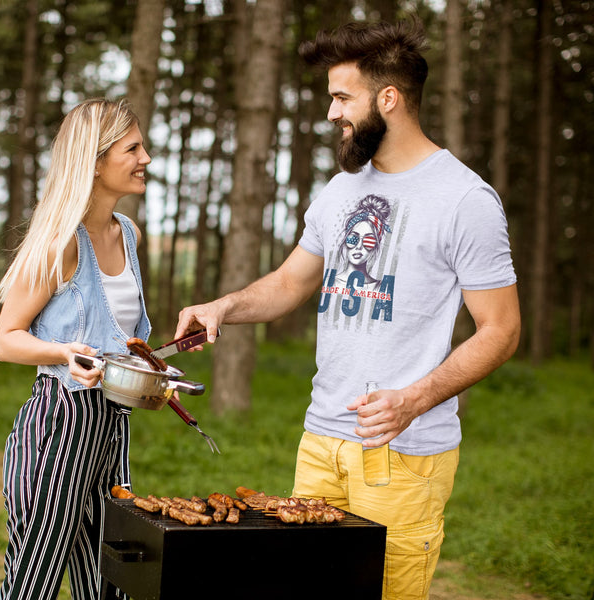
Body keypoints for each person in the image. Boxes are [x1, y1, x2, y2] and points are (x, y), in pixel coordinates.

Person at [175, 18, 520, 600]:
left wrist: (415, 399)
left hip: (404, 454)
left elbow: (502, 330)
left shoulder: (464, 199)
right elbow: (288, 284)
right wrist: (223, 306)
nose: (331, 112)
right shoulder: (341, 190)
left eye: (341, 97)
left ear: (389, 99)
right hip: (320, 442)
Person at [0, 97, 151, 600]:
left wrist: (151, 372)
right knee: (34, 579)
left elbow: (118, 335)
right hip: (59, 427)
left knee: (110, 578)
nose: (146, 158)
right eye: (133, 148)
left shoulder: (129, 233)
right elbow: (5, 340)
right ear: (96, 162)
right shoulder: (60, 244)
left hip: (111, 429)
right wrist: (63, 354)